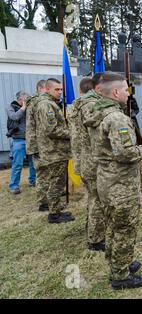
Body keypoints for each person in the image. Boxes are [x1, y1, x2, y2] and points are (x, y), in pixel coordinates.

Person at [85, 73, 142, 290]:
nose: (128, 93)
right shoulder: (117, 118)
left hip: (106, 180)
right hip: (121, 184)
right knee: (124, 228)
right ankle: (121, 277)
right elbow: (124, 153)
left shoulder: (97, 113)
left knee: (114, 226)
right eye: (125, 90)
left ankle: (119, 262)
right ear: (115, 93)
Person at [68, 75, 107, 251]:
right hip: (93, 161)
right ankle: (96, 239)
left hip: (82, 159)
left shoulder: (76, 106)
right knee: (98, 200)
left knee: (93, 198)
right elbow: (98, 135)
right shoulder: (92, 105)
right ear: (95, 88)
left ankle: (92, 230)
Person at [34, 78, 75, 224]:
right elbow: (51, 130)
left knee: (57, 181)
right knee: (56, 183)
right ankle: (54, 214)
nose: (60, 92)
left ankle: (55, 208)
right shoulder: (46, 105)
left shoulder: (49, 103)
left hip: (55, 150)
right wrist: (72, 133)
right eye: (57, 90)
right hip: (54, 151)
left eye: (61, 90)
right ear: (48, 89)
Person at [6, 90, 36, 194]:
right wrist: (23, 108)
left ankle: (33, 181)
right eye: (25, 99)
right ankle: (14, 186)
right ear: (19, 99)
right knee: (17, 164)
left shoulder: (30, 108)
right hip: (18, 140)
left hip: (31, 139)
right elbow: (14, 117)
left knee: (33, 163)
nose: (27, 101)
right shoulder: (11, 107)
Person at [25, 80, 48, 210]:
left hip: (37, 143)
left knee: (44, 173)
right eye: (47, 89)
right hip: (38, 144)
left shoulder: (34, 102)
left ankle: (46, 199)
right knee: (42, 174)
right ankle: (43, 202)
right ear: (40, 88)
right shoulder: (37, 102)